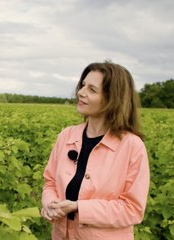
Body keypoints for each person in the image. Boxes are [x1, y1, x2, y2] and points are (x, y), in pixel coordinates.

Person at [41, 61, 150, 239]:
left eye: (92, 90)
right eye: (83, 85)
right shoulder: (66, 136)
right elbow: (50, 181)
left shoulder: (132, 146)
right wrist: (50, 204)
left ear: (112, 99)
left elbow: (132, 209)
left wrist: (79, 208)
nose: (80, 93)